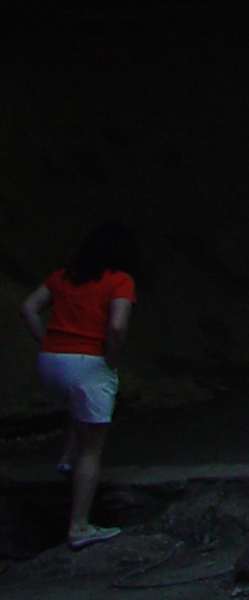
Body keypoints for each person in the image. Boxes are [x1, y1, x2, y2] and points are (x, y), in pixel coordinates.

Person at [19, 224, 141, 550]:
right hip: (88, 362)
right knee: (93, 448)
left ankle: (65, 458)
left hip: (51, 362)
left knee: (78, 407)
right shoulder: (120, 281)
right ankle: (79, 526)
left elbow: (28, 308)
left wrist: (47, 341)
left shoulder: (62, 276)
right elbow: (116, 325)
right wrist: (112, 359)